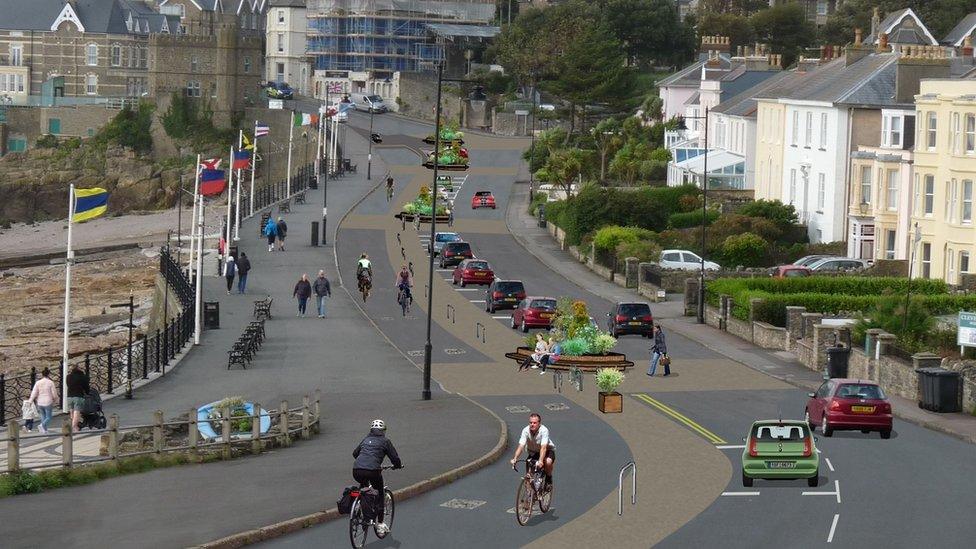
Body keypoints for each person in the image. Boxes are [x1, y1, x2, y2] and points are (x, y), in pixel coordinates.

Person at [352, 419, 402, 535]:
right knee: (379, 493)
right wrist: (397, 466)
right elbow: (394, 458)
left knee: (364, 488)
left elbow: (355, 454)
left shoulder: (366, 439)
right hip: (373, 471)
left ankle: (359, 510)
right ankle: (380, 524)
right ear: (383, 431)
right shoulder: (385, 441)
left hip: (356, 470)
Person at [510, 413, 555, 489]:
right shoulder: (525, 430)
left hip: (547, 451)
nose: (532, 424)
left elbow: (543, 447)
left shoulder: (544, 430)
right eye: (530, 422)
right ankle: (529, 497)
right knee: (529, 477)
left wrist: (540, 461)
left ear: (539, 424)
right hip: (533, 453)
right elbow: (521, 446)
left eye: (534, 423)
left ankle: (548, 478)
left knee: (548, 462)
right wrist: (515, 458)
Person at [27, 367, 58, 433]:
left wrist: (30, 400)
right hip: (48, 401)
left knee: (43, 416)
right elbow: (54, 393)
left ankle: (44, 430)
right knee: (49, 417)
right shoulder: (50, 382)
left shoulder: (38, 382)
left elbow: (34, 392)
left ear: (42, 374)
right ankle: (42, 425)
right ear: (49, 374)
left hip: (40, 402)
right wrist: (55, 399)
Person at [65, 364, 90, 432]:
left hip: (69, 396)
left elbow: (68, 385)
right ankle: (73, 427)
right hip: (78, 395)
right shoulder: (82, 376)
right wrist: (87, 392)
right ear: (78, 368)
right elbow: (86, 387)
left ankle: (74, 426)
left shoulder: (68, 376)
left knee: (71, 411)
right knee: (77, 412)